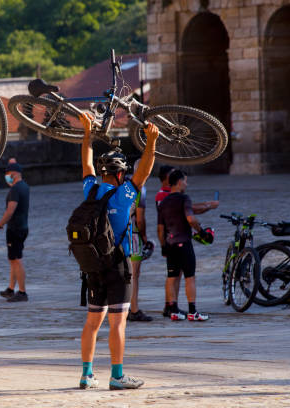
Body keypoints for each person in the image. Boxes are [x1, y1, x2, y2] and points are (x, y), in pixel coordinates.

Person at [78, 112, 158, 390]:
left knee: (92, 322)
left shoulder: (91, 190)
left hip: (92, 266)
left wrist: (87, 133)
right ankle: (117, 375)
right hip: (118, 265)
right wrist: (152, 142)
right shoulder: (126, 195)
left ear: (103, 174)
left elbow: (86, 164)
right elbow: (145, 171)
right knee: (117, 323)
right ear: (121, 173)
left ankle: (86, 375)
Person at [155, 165, 219, 317]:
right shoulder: (184, 199)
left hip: (170, 245)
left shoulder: (163, 203)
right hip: (184, 243)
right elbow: (191, 219)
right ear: (178, 182)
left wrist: (163, 246)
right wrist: (202, 232)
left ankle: (174, 311)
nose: (186, 184)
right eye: (185, 181)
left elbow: (160, 229)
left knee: (171, 277)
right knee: (190, 277)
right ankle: (192, 311)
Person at [0, 161, 30, 302]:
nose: (6, 177)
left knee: (17, 260)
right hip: (22, 227)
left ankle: (22, 292)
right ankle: (10, 289)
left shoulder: (15, 189)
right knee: (13, 259)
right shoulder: (24, 187)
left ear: (13, 174)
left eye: (7, 174)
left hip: (15, 228)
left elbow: (10, 211)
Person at [127, 159, 152, 322]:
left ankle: (118, 306)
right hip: (132, 235)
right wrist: (144, 237)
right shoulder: (140, 189)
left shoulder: (121, 183)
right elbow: (140, 219)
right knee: (134, 274)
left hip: (115, 233)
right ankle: (133, 309)